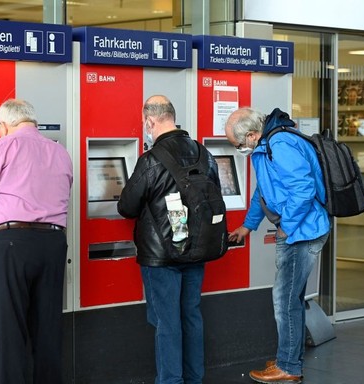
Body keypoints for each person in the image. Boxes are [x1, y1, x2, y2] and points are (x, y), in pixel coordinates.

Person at [0, 99, 73, 384]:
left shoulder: (3, 146)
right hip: (53, 243)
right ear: (33, 121)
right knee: (47, 329)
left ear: (3, 125)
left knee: (7, 331)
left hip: (12, 243)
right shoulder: (60, 152)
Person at [117, 95, 222, 384]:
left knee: (167, 323)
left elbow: (127, 206)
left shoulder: (150, 160)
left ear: (150, 120)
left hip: (161, 255)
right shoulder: (204, 154)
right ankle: (193, 378)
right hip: (197, 249)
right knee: (191, 315)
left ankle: (170, 381)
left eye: (145, 124)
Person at [224, 107, 330, 384]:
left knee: (284, 301)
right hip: (299, 230)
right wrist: (248, 225)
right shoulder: (267, 145)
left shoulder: (279, 144)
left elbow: (303, 189)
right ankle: (288, 357)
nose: (238, 150)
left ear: (250, 135)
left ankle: (288, 367)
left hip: (301, 233)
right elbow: (264, 190)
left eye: (237, 145)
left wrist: (286, 227)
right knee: (290, 298)